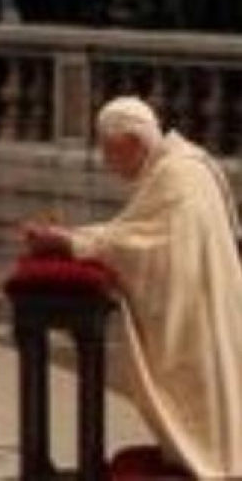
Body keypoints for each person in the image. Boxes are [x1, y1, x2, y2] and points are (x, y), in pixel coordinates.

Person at [21, 97, 242, 478]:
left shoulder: (178, 176)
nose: (107, 161)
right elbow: (138, 232)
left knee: (200, 399)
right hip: (203, 304)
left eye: (110, 150)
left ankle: (212, 457)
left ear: (135, 142)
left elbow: (147, 247)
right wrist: (71, 237)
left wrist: (69, 242)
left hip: (193, 313)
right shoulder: (180, 165)